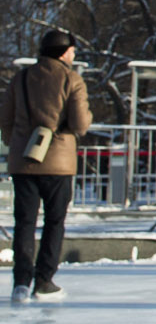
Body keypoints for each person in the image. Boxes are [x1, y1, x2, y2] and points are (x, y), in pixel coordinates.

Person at [4, 30, 93, 304]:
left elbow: (5, 120)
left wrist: (18, 143)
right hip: (59, 164)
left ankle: (21, 282)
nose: (74, 54)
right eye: (73, 50)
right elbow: (80, 124)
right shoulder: (71, 79)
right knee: (54, 222)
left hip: (24, 161)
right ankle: (44, 280)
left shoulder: (20, 79)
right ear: (64, 51)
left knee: (24, 222)